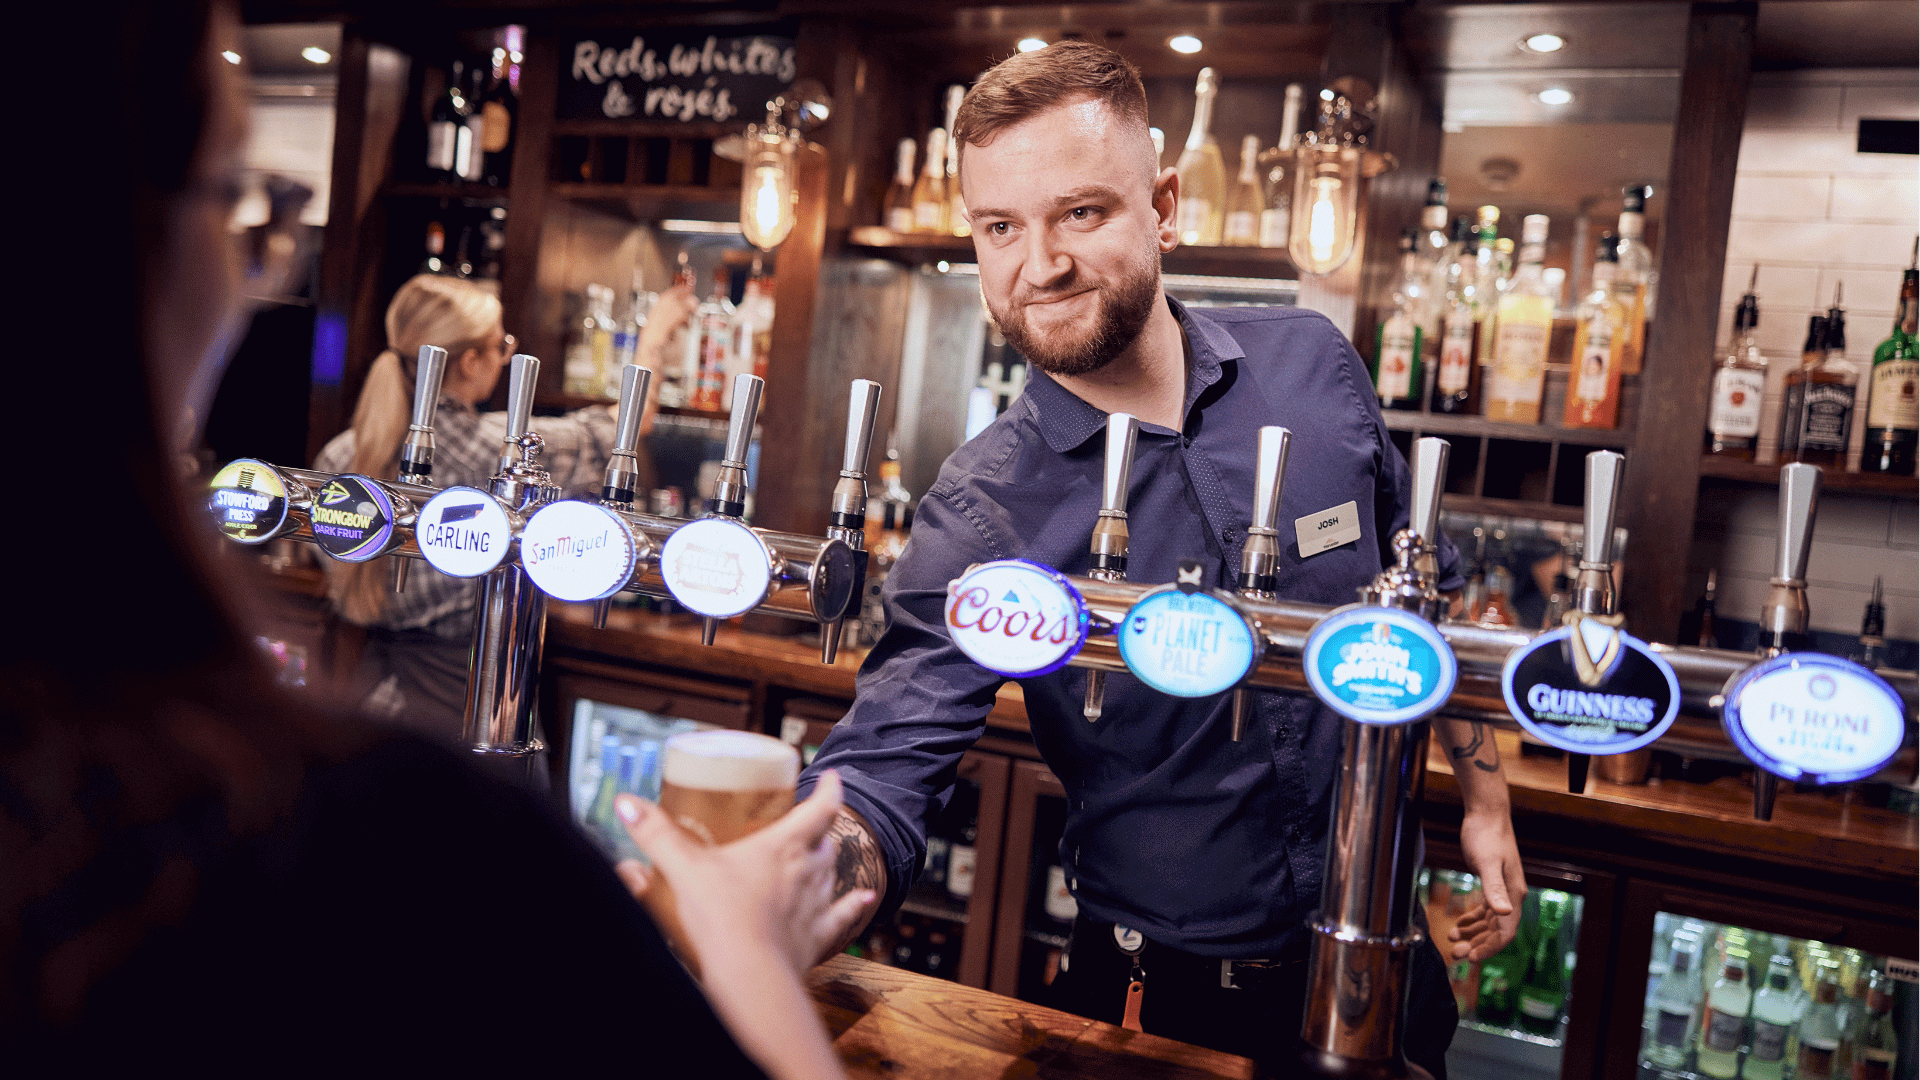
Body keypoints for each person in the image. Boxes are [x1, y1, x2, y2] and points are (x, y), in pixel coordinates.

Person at [3, 3, 864, 1076]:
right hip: (464, 730)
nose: (511, 356)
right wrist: (750, 947)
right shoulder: (388, 825)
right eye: (248, 205)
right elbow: (615, 430)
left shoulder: (349, 450)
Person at [799, 42, 1525, 1076]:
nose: (1037, 264)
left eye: (1081, 213)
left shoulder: (1311, 367)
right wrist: (797, 882)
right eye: (1000, 227)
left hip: (1389, 972)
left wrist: (1485, 796)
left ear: (1165, 207)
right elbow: (881, 772)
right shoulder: (982, 505)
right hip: (1167, 1009)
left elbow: (1420, 593)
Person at [314, 273, 695, 738]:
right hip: (463, 713)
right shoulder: (500, 456)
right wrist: (654, 335)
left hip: (359, 706)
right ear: (471, 362)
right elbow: (631, 427)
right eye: (501, 346)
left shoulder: (337, 457)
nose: (506, 356)